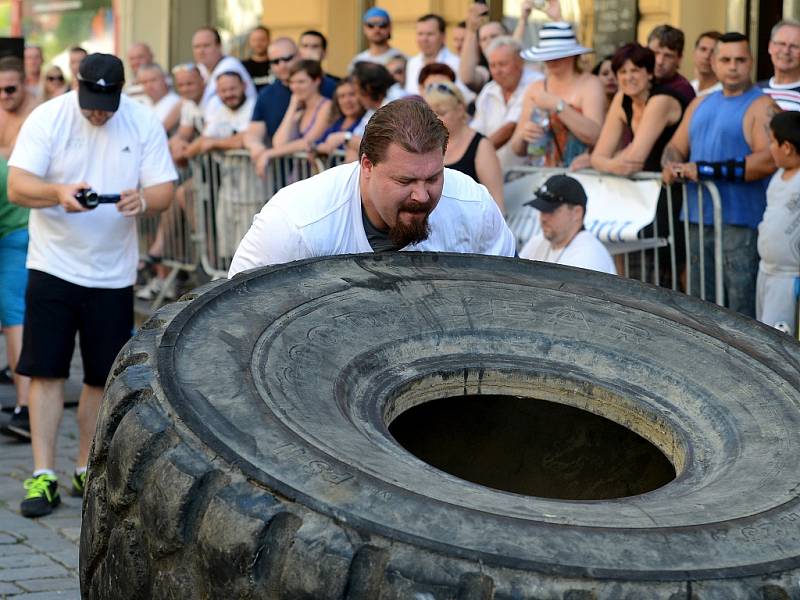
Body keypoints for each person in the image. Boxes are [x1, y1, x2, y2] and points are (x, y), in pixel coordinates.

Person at [7, 53, 177, 518]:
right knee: (45, 372)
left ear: (121, 93)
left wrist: (142, 199)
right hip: (53, 265)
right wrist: (58, 193)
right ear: (77, 86)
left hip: (113, 273)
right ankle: (43, 473)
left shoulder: (141, 121)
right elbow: (18, 186)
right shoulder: (49, 117)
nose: (98, 112)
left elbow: (166, 189)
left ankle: (86, 465)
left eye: (107, 102)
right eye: (91, 102)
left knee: (101, 377)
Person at [228, 98, 515, 274]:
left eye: (433, 178)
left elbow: (509, 293)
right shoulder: (296, 224)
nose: (422, 195)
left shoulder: (473, 206)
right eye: (404, 181)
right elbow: (237, 320)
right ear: (367, 165)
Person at [662, 32, 779, 317]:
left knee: (740, 312)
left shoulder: (762, 106)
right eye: (725, 59)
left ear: (751, 62)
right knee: (700, 308)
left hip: (740, 223)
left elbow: (767, 160)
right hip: (697, 220)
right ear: (713, 63)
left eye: (740, 59)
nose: (733, 66)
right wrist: (670, 164)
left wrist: (702, 170)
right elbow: (675, 146)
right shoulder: (699, 104)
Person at [510, 22, 605, 168]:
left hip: (582, 175)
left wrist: (558, 106)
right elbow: (517, 149)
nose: (551, 61)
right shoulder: (535, 88)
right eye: (547, 56)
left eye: (558, 56)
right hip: (542, 174)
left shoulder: (590, 84)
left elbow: (595, 136)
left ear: (573, 56)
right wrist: (524, 135)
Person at [0, 58, 36, 440]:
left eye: (10, 88)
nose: (4, 96)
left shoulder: (39, 114)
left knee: (15, 317)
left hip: (18, 230)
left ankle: (26, 409)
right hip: (14, 227)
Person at [591, 43, 686, 176]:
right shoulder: (622, 98)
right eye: (622, 72)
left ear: (649, 73)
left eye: (635, 70)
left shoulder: (661, 100)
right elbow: (597, 157)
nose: (628, 77)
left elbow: (635, 159)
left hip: (673, 184)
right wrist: (612, 165)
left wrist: (609, 162)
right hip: (646, 185)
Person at [424, 80, 504, 211]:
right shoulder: (427, 146)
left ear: (460, 109)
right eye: (431, 114)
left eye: (441, 113)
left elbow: (496, 202)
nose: (435, 119)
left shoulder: (481, 145)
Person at [519, 174, 616, 275]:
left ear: (577, 213)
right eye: (542, 210)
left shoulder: (589, 256)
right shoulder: (537, 242)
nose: (543, 218)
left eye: (552, 211)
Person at [756, 111, 800, 332]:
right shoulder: (777, 177)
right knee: (766, 333)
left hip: (789, 277)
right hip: (767, 271)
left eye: (772, 141)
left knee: (782, 341)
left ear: (787, 147)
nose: (769, 147)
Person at [471, 36, 543, 171]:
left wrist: (471, 155)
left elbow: (509, 129)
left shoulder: (535, 85)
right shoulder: (488, 90)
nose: (497, 71)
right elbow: (476, 130)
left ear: (520, 63)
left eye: (503, 64)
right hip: (493, 171)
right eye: (493, 65)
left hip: (528, 173)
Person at [252, 60, 330, 176]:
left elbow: (307, 143)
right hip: (300, 177)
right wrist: (292, 108)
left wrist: (268, 153)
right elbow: (279, 143)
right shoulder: (299, 112)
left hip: (319, 175)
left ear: (316, 81)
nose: (295, 87)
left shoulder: (327, 106)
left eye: (301, 82)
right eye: (292, 82)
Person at [243, 38, 301, 163]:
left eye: (287, 58)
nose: (282, 65)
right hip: (283, 176)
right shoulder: (266, 94)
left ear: (299, 56)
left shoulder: (324, 86)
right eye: (275, 61)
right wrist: (256, 147)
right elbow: (253, 133)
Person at [192, 26, 256, 111]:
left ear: (219, 46)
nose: (201, 51)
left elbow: (209, 106)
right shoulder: (201, 67)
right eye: (197, 46)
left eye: (206, 46)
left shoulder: (229, 67)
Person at [405, 14, 460, 96]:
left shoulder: (456, 63)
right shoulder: (412, 63)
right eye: (420, 34)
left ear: (443, 37)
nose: (424, 39)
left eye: (430, 34)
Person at [313, 76, 365, 155]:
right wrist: (318, 148)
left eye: (352, 94)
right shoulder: (337, 122)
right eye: (342, 96)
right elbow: (317, 143)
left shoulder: (366, 121)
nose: (347, 100)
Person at [0, 57, 39, 159]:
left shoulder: (36, 115)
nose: (3, 96)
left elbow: (15, 153)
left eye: (10, 89)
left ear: (25, 83)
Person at [647, 25, 695, 106]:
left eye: (668, 56)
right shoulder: (640, 82)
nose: (660, 61)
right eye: (655, 53)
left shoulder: (683, 90)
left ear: (679, 59)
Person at [759, 20, 800, 111]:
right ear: (770, 47)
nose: (786, 51)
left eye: (794, 46)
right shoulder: (754, 91)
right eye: (781, 44)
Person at [138, 63, 181, 132]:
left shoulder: (175, 101)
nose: (149, 86)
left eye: (153, 80)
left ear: (164, 79)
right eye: (144, 82)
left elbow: (156, 131)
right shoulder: (142, 102)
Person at [690, 31, 722, 97]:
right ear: (694, 53)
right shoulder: (689, 87)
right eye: (703, 49)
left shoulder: (723, 93)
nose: (707, 56)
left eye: (713, 51)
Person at [243, 25, 272, 92]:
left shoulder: (277, 64)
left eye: (262, 40)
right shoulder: (242, 66)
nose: (258, 43)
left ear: (269, 40)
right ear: (249, 42)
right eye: (254, 40)